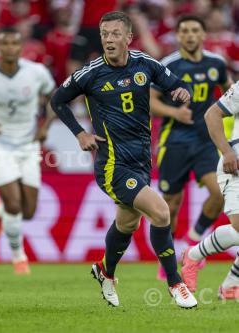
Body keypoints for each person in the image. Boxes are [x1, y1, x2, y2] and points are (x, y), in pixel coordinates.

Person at [50, 11, 197, 308]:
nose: (109, 39)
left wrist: (182, 91)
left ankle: (105, 271)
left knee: (127, 225)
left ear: (128, 37)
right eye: (104, 34)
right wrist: (80, 133)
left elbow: (179, 85)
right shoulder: (90, 73)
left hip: (142, 161)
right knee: (161, 212)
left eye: (115, 34)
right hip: (112, 165)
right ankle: (175, 283)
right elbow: (57, 100)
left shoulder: (145, 64)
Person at [0, 26, 55, 275]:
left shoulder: (36, 72)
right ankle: (19, 257)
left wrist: (45, 126)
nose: (10, 48)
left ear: (21, 47)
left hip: (28, 145)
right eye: (4, 44)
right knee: (15, 204)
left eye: (15, 43)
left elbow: (54, 98)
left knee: (29, 211)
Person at [150, 15, 232, 281]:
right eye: (184, 31)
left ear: (203, 34)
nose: (189, 35)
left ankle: (192, 241)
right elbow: (150, 101)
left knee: (219, 194)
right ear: (178, 35)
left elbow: (231, 93)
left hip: (206, 141)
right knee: (170, 206)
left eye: (195, 30)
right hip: (174, 141)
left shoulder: (217, 63)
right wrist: (174, 112)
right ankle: (168, 257)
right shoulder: (168, 65)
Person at [181, 80, 239, 300]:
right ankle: (193, 255)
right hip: (234, 166)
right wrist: (226, 152)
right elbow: (211, 114)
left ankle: (230, 287)